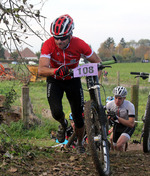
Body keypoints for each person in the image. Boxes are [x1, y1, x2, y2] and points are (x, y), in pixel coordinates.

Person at [38, 14, 101, 153]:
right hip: (55, 80)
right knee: (56, 112)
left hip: (73, 80)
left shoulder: (80, 44)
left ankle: (79, 143)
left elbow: (97, 63)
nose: (59, 41)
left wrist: (97, 82)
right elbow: (41, 70)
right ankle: (63, 123)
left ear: (70, 35)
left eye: (63, 38)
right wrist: (56, 71)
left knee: (78, 116)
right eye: (56, 38)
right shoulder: (48, 44)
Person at [106, 86, 135, 152]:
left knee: (119, 144)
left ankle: (123, 159)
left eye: (120, 98)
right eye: (116, 98)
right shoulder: (109, 105)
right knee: (115, 146)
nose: (117, 101)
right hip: (117, 125)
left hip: (127, 126)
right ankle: (119, 157)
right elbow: (109, 119)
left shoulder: (130, 106)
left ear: (124, 98)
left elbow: (131, 124)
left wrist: (117, 118)